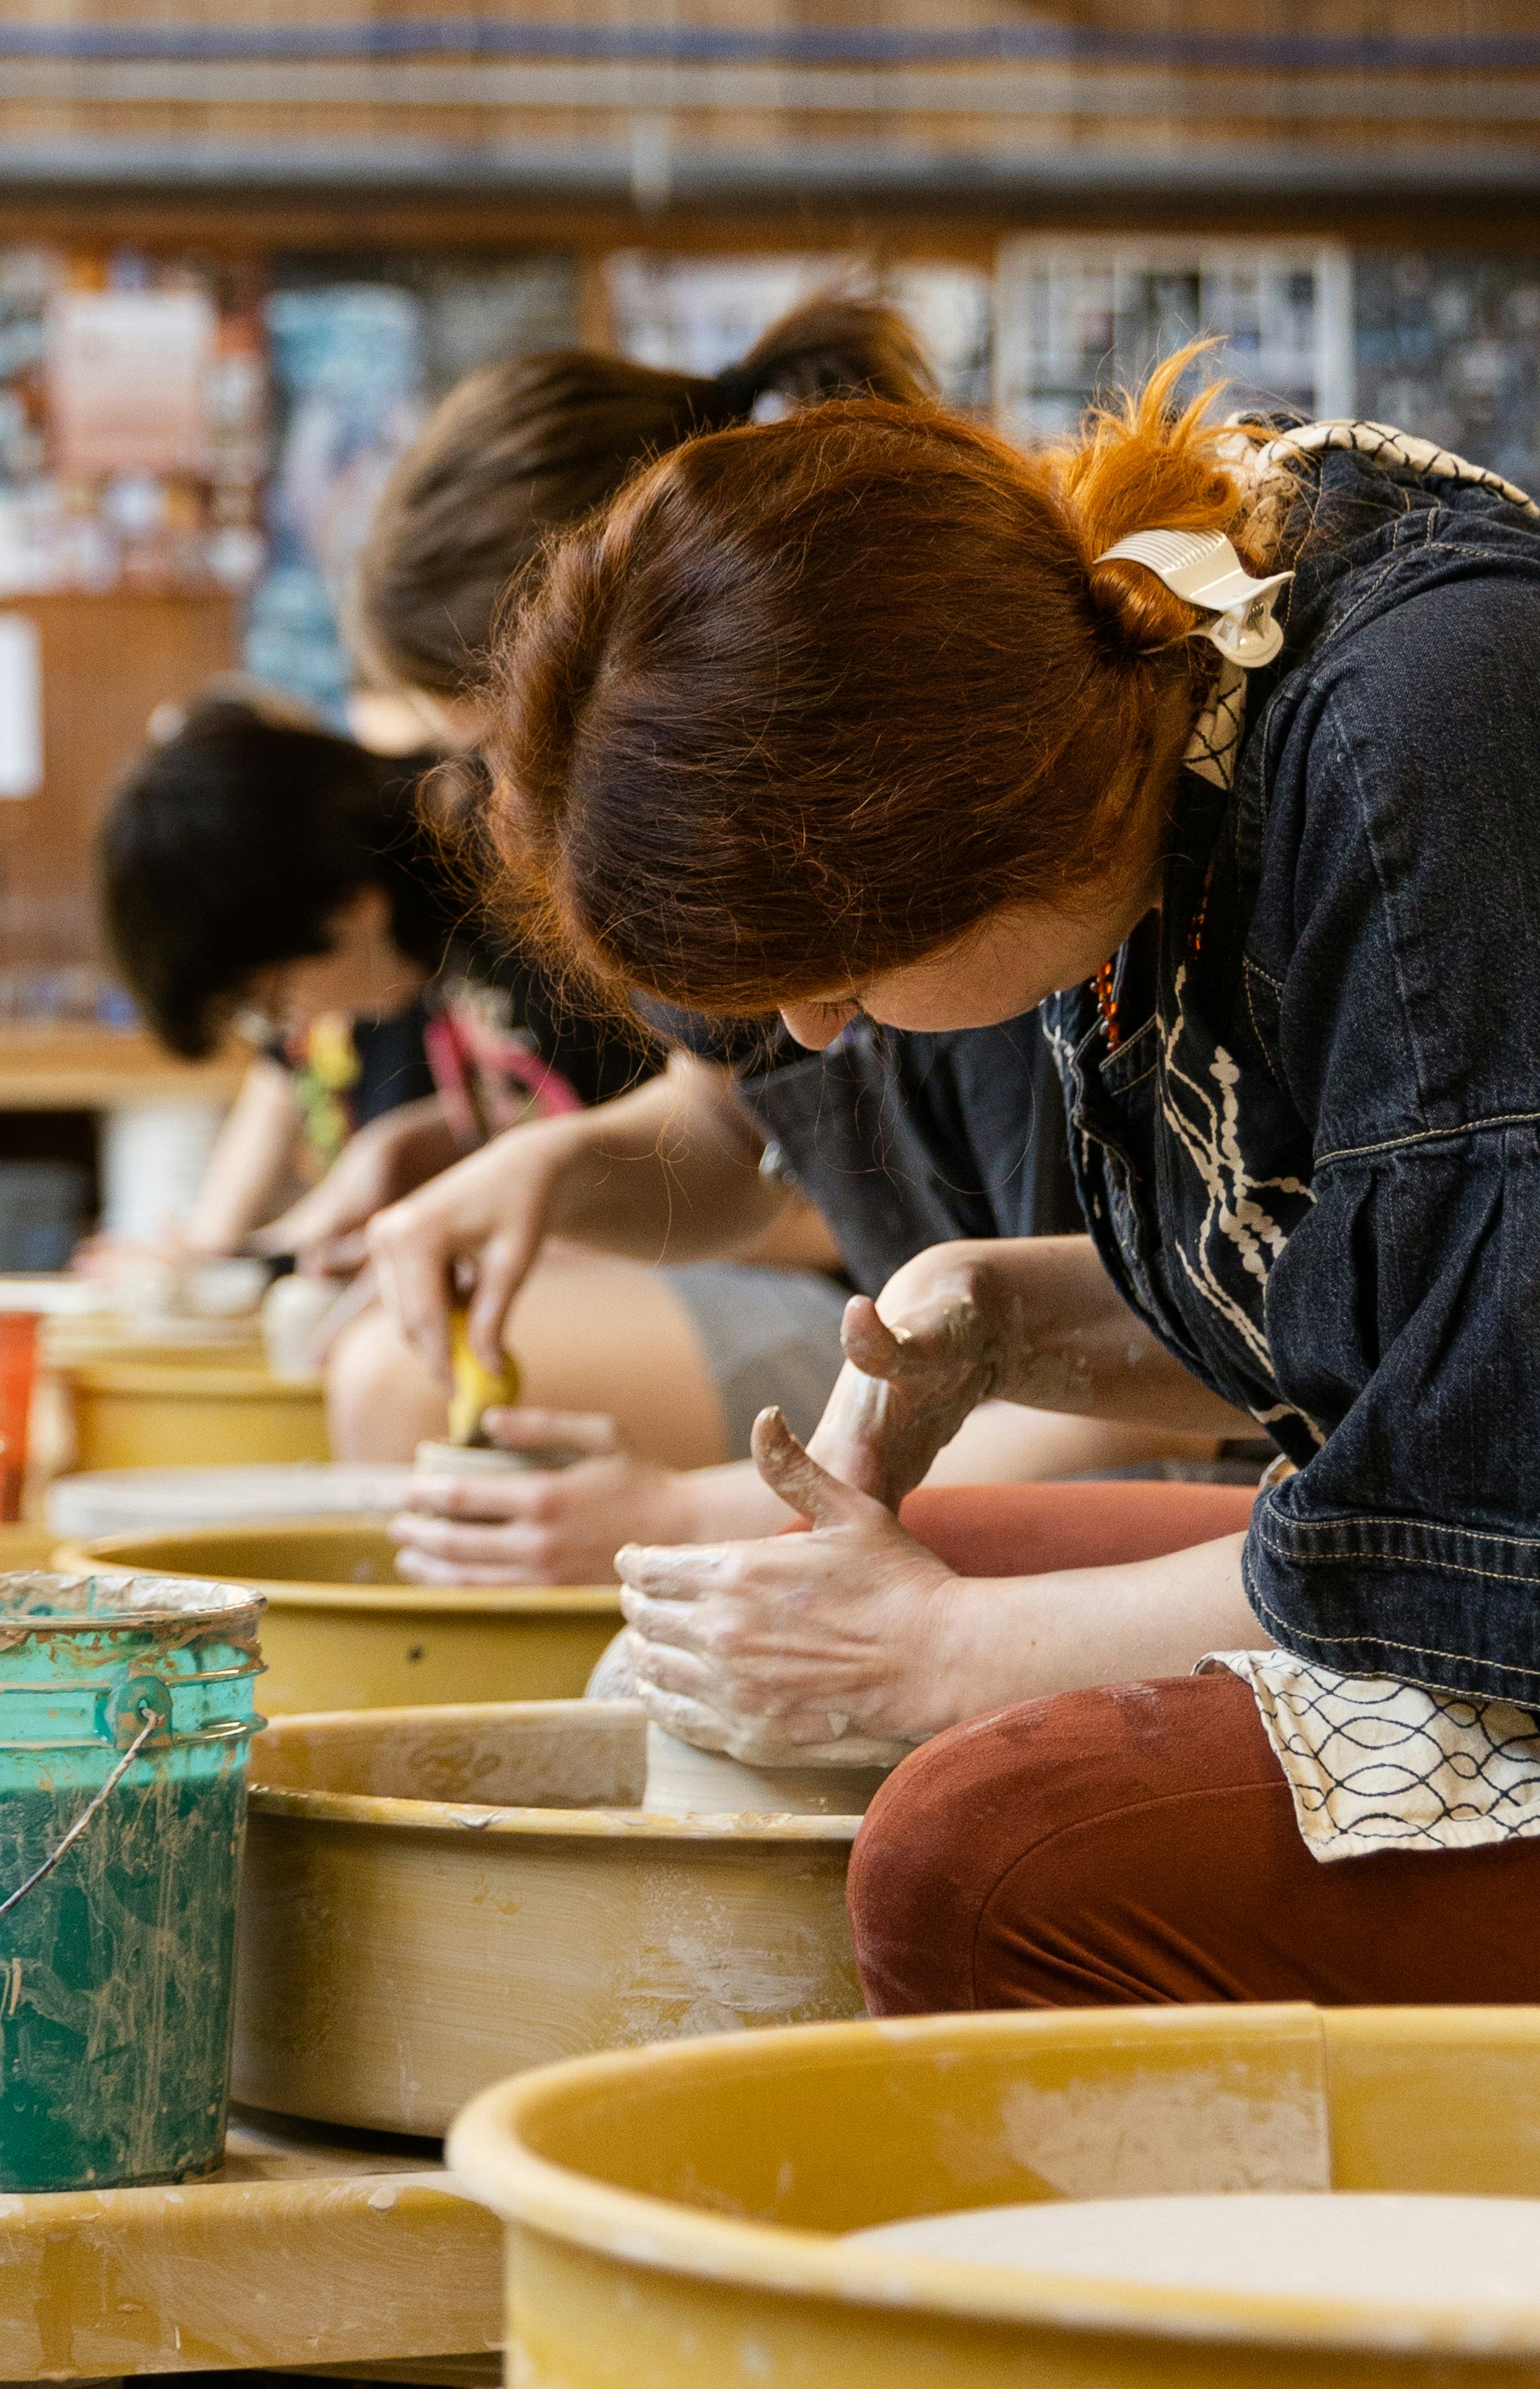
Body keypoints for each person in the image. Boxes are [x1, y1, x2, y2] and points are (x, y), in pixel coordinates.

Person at [436, 357, 1540, 2010]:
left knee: (976, 1856)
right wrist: (1018, 1315)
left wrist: (929, 1652)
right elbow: (1410, 1323)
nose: (815, 1028)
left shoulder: (1416, 740)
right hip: (1472, 1548)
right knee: (721, 1642)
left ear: (976, 825)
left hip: (1498, 1590)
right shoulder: (1161, 711)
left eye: (839, 973)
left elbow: (1477, 1512)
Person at [325, 284, 1232, 1569]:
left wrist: (689, 1520)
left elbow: (1178, 1369)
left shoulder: (987, 870)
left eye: (493, 753)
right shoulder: (723, 848)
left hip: (1127, 1468)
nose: (499, 809)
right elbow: (736, 1119)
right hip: (962, 1392)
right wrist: (545, 1172)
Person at [97, 690, 849, 1466]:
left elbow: (803, 1192)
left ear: (351, 910)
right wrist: (417, 1152)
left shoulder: (547, 892)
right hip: (715, 1274)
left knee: (392, 1376)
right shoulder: (444, 942)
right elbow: (584, 1115)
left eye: (268, 1002)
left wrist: (559, 1227)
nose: (289, 1030)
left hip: (840, 1296)